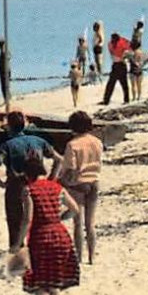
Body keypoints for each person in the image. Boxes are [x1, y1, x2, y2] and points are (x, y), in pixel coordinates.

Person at [14, 152, 80, 295]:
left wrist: (18, 243)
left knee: (37, 282)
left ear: (28, 174)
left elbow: (27, 219)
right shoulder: (57, 187)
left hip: (40, 238)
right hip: (60, 235)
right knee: (55, 282)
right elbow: (74, 209)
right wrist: (60, 218)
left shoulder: (29, 190)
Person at [0, 110, 58, 251]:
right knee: (38, 222)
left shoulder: (6, 146)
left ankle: (18, 258)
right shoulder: (38, 141)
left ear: (9, 126)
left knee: (15, 225)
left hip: (15, 187)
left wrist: (0, 182)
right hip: (38, 185)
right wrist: (51, 178)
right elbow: (58, 160)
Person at [55, 109, 102, 266]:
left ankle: (79, 257)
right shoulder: (97, 142)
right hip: (94, 181)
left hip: (78, 184)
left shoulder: (72, 145)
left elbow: (71, 168)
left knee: (78, 222)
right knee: (90, 223)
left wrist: (60, 180)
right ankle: (92, 257)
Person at [101, 31, 131, 105]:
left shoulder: (122, 42)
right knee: (111, 83)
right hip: (116, 64)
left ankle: (126, 100)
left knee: (123, 84)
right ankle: (106, 100)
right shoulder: (112, 44)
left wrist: (124, 57)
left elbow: (129, 48)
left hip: (121, 64)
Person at [0, 38, 13, 106]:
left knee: (4, 86)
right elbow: (10, 57)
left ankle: (6, 100)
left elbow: (6, 60)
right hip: (6, 69)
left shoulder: (3, 51)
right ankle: (8, 98)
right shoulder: (6, 50)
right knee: (6, 85)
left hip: (4, 70)